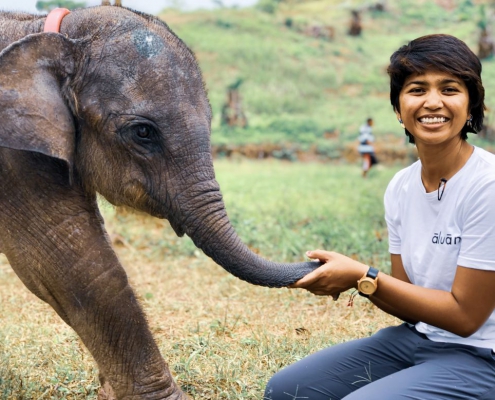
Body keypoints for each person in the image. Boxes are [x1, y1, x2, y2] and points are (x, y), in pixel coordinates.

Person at [264, 34, 495, 400]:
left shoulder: (488, 185)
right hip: (417, 338)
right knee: (287, 391)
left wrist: (362, 274)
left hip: (483, 356)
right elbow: (410, 302)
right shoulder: (400, 187)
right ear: (398, 107)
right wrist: (357, 281)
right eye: (417, 89)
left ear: (471, 106)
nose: (432, 102)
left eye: (450, 89)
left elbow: (466, 319)